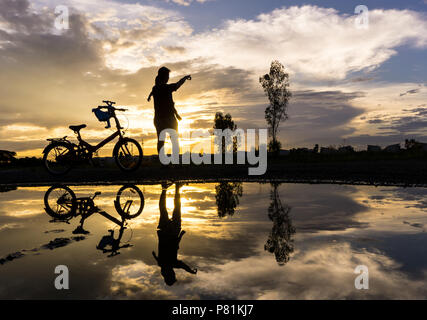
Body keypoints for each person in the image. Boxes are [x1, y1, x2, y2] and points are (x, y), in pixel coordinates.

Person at [152, 182, 197, 286]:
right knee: (163, 209)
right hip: (164, 231)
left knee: (177, 208)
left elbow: (175, 246)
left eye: (173, 276)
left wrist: (181, 235)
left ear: (170, 275)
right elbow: (158, 259)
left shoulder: (172, 264)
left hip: (173, 232)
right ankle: (164, 189)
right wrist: (154, 255)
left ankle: (176, 188)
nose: (174, 274)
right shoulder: (162, 264)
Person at [147, 67, 191, 154]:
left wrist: (149, 96)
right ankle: (175, 162)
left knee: (160, 142)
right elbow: (178, 84)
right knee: (174, 141)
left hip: (158, 119)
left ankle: (163, 163)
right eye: (167, 76)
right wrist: (185, 78)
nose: (168, 78)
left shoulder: (155, 88)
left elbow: (153, 92)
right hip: (169, 119)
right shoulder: (167, 88)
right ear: (164, 77)